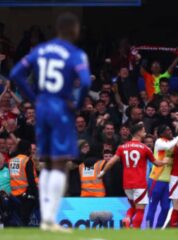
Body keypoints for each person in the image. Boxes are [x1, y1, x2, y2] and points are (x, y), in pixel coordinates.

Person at [10, 13, 91, 231]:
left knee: (45, 162)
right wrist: (77, 103)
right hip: (60, 109)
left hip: (43, 108)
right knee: (58, 163)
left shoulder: (40, 50)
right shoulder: (75, 54)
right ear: (73, 31)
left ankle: (47, 217)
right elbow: (84, 82)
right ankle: (49, 219)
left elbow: (16, 73)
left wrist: (33, 97)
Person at [98, 123, 167, 228]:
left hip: (127, 184)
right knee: (140, 210)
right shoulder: (145, 148)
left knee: (134, 207)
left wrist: (102, 172)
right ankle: (134, 233)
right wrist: (165, 161)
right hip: (139, 183)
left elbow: (111, 162)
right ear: (138, 132)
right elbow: (157, 164)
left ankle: (128, 218)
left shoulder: (122, 147)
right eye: (143, 130)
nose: (145, 132)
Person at [147, 125, 178, 228]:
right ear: (161, 133)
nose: (170, 131)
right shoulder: (159, 142)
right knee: (152, 206)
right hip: (156, 180)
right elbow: (167, 147)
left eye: (170, 129)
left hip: (168, 182)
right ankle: (148, 231)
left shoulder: (174, 142)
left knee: (166, 208)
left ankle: (158, 230)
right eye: (167, 130)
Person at [9, 140, 38, 226]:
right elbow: (31, 180)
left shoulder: (12, 160)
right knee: (24, 220)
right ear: (27, 149)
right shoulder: (27, 160)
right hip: (25, 195)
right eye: (30, 148)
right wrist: (36, 194)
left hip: (14, 195)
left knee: (17, 219)